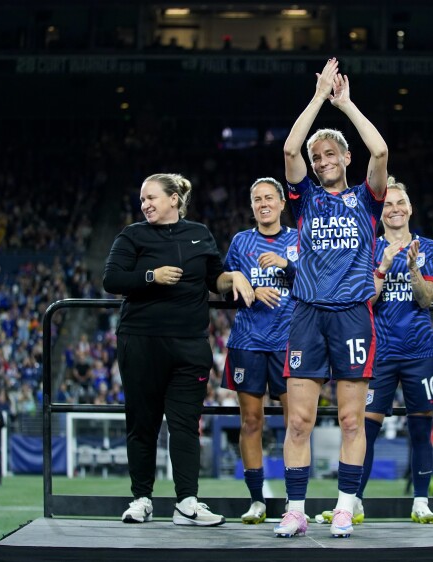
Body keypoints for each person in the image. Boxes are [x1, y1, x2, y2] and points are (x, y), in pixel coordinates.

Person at [274, 57, 388, 539]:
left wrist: (346, 105)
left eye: (328, 155)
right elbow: (288, 146)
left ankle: (344, 506)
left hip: (352, 318)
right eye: (316, 157)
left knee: (349, 418)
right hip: (306, 315)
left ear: (344, 158)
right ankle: (295, 510)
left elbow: (380, 150)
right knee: (298, 421)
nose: (319, 161)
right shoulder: (305, 198)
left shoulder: (367, 198)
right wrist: (319, 96)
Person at [102, 172, 255, 526]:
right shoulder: (132, 235)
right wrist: (150, 276)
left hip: (189, 345)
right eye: (142, 200)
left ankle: (187, 502)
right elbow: (111, 279)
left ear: (174, 199)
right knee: (143, 424)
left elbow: (215, 279)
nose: (145, 204)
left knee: (186, 425)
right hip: (140, 341)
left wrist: (236, 278)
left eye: (152, 197)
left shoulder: (200, 234)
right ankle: (141, 499)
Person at [345, 176, 433, 524]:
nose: (395, 209)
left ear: (410, 208)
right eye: (387, 204)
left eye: (400, 202)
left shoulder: (428, 247)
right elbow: (365, 299)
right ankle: (355, 500)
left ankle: (420, 501)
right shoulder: (369, 248)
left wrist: (413, 265)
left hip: (420, 352)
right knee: (365, 430)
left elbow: (426, 299)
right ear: (380, 210)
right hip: (380, 352)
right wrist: (384, 267)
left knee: (420, 430)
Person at [220, 178, 297, 524]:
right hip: (248, 342)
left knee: (296, 423)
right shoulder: (241, 241)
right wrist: (244, 284)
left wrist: (286, 266)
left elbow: (318, 280)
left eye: (269, 198)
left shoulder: (298, 239)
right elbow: (222, 283)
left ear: (282, 203)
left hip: (290, 343)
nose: (263, 203)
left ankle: (295, 502)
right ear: (251, 207)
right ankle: (257, 501)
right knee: (251, 421)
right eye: (256, 199)